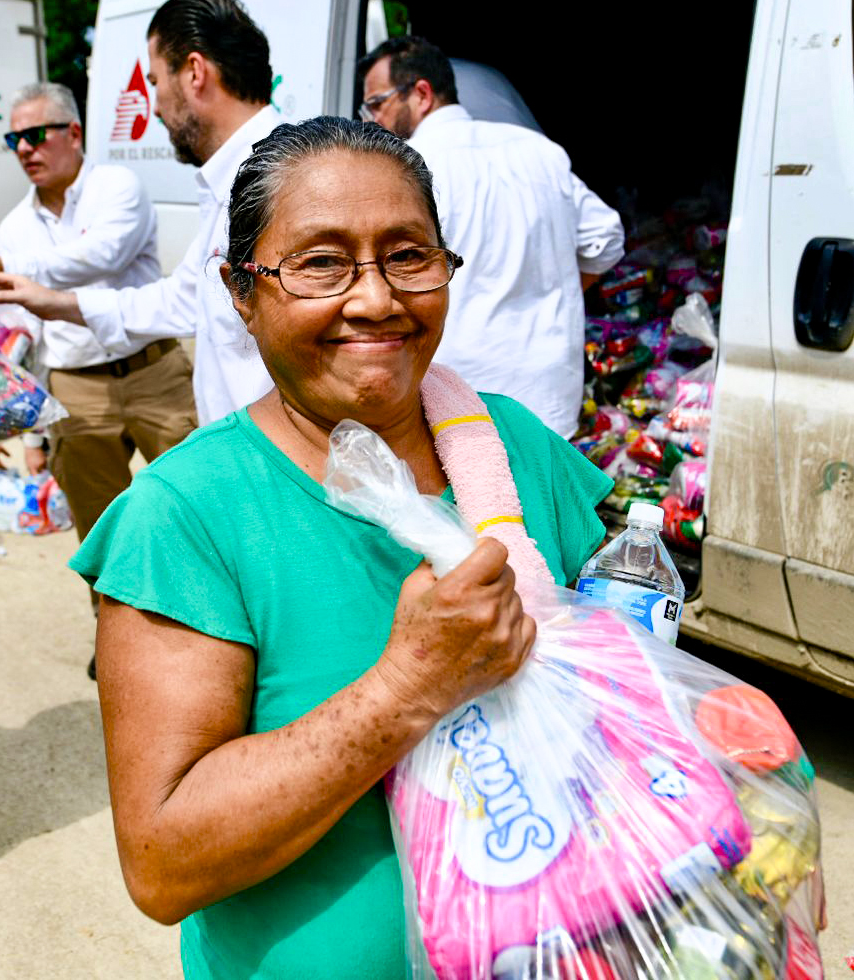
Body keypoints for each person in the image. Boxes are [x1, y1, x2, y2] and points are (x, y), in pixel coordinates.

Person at [73, 117, 615, 978]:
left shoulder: (510, 449)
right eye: (320, 262)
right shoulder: (185, 514)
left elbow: (620, 684)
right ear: (240, 292)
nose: (375, 299)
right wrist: (408, 683)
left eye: (408, 255)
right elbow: (163, 860)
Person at [0, 82, 198, 675]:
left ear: (73, 134)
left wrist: (15, 270)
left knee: (194, 503)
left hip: (154, 372)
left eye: (35, 134)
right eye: (13, 138)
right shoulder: (15, 226)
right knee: (101, 524)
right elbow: (26, 325)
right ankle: (116, 634)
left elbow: (105, 255)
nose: (24, 149)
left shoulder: (116, 187)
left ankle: (206, 624)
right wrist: (23, 423)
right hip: (75, 384)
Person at [0, 0, 280, 425]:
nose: (154, 107)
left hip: (275, 469)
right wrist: (55, 303)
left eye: (154, 82)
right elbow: (184, 299)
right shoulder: (231, 177)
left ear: (194, 72)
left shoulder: (280, 178)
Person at [358, 36, 625, 437]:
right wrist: (553, 289)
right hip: (548, 387)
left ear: (421, 93)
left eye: (377, 103)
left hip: (459, 388)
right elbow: (605, 239)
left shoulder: (411, 167)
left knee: (466, 498)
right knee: (541, 496)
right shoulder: (539, 151)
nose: (372, 119)